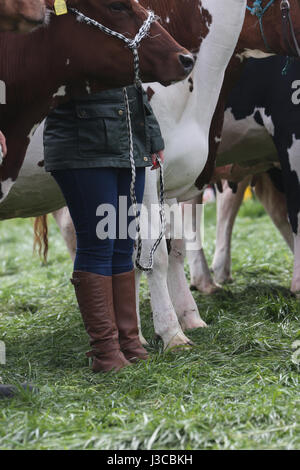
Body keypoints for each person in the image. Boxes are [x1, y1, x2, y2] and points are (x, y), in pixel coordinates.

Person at [43, 85, 164, 373]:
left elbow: (135, 86)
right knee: (98, 245)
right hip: (84, 145)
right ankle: (106, 352)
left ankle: (129, 343)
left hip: (128, 144)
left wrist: (153, 136)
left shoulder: (128, 39)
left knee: (124, 243)